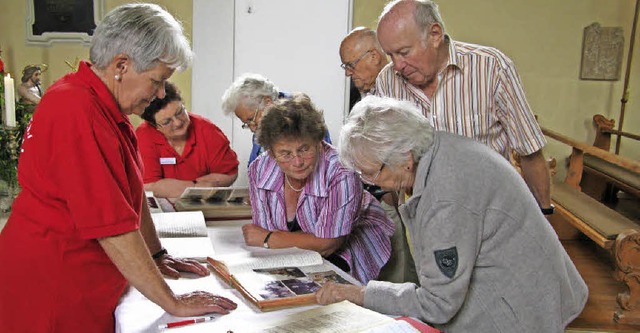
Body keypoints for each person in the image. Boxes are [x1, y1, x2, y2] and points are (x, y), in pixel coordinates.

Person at [0, 4, 236, 332]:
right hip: (54, 282)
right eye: (157, 80)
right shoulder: (76, 109)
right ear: (121, 65)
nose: (160, 93)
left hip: (82, 277)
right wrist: (172, 300)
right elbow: (112, 225)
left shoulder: (106, 107)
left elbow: (132, 193)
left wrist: (156, 254)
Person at [316, 95, 588, 332]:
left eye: (371, 173)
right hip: (519, 287)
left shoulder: (446, 197)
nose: (370, 182)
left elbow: (438, 304)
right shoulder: (434, 147)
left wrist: (360, 293)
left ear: (405, 159)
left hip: (518, 308)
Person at [375, 0, 553, 215]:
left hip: (489, 212)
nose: (397, 66)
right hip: (428, 215)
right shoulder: (387, 80)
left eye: (404, 52)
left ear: (434, 34)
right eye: (390, 55)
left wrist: (544, 215)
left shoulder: (492, 68)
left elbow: (530, 152)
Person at [242, 95, 394, 284]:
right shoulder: (259, 169)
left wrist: (270, 238)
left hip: (357, 250)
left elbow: (328, 244)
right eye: (285, 154)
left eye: (304, 149)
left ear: (318, 141)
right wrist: (272, 238)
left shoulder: (342, 172)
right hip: (298, 257)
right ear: (271, 153)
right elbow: (262, 233)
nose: (297, 162)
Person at [137, 81, 239, 198]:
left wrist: (170, 187)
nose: (178, 122)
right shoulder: (144, 136)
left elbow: (229, 173)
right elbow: (149, 185)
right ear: (154, 126)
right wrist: (195, 187)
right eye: (167, 121)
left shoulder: (207, 130)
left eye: (180, 112)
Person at [221, 73, 331, 166]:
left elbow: (319, 165)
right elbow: (254, 166)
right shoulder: (263, 125)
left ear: (267, 102)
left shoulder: (302, 116)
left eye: (251, 120)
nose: (252, 128)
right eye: (247, 124)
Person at [339, 27, 389, 98]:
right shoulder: (354, 96)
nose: (347, 73)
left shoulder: (401, 88)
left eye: (350, 65)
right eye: (345, 66)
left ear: (374, 57)